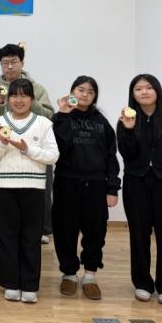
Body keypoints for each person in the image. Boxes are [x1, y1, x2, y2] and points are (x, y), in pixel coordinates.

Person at [0, 78, 59, 303]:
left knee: (31, 237)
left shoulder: (43, 123)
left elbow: (53, 156)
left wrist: (27, 149)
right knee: (7, 236)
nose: (19, 100)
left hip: (34, 187)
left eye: (24, 95)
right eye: (14, 95)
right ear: (8, 99)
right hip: (5, 187)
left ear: (32, 99)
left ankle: (29, 285)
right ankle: (11, 283)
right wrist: (2, 142)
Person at [117, 74, 162, 305]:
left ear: (157, 90)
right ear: (132, 94)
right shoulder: (126, 119)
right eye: (138, 88)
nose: (144, 92)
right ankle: (142, 283)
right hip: (136, 183)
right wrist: (128, 130)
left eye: (148, 87)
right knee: (138, 235)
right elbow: (127, 155)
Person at [51, 76, 120, 300]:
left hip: (96, 184)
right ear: (72, 92)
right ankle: (69, 274)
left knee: (95, 231)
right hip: (66, 181)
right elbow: (58, 147)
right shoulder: (59, 119)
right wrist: (63, 114)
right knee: (65, 229)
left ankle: (90, 275)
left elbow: (111, 157)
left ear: (94, 97)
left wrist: (112, 188)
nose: (85, 94)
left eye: (90, 92)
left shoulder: (102, 123)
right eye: (81, 90)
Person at [0, 43, 55, 245]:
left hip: (34, 154)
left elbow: (50, 116)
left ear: (22, 63)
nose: (9, 67)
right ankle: (1, 246)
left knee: (40, 198)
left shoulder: (37, 88)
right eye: (5, 63)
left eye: (14, 62)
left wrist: (29, 98)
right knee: (1, 203)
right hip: (3, 155)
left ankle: (38, 235)